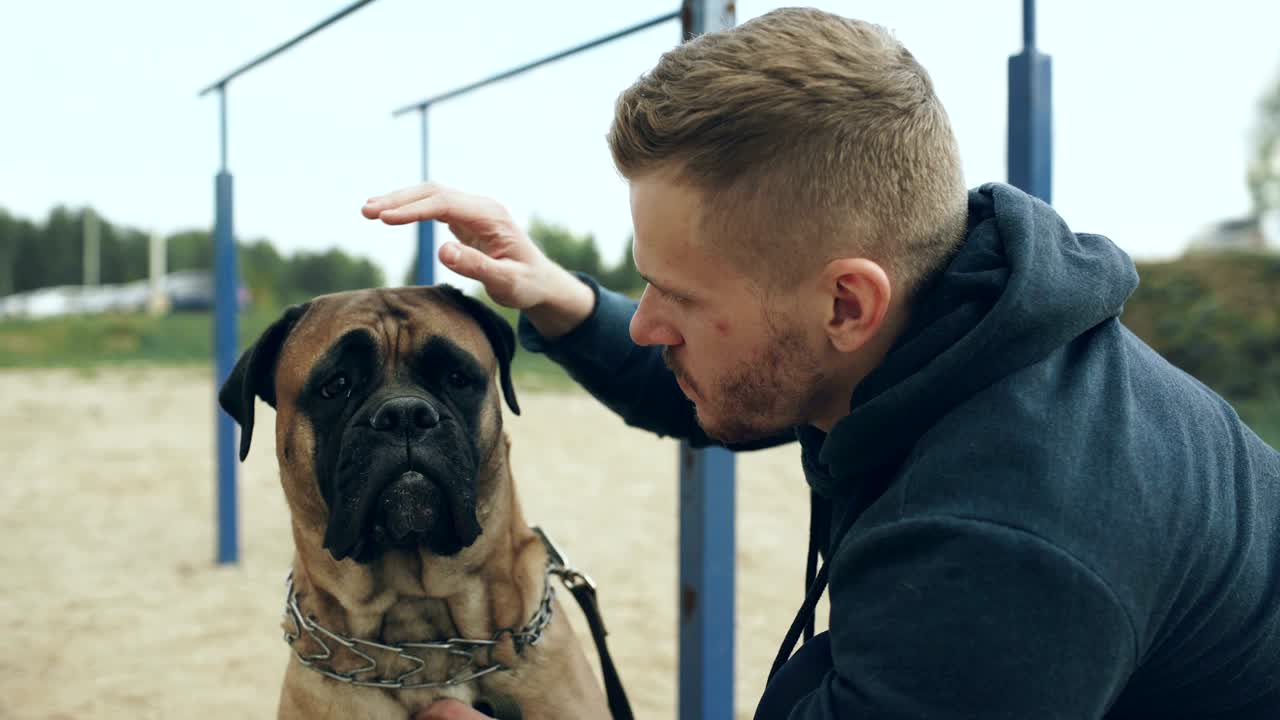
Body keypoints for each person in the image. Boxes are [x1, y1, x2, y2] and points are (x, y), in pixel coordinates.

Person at [366, 8, 1280, 719]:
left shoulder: (1004, 546)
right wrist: (558, 296)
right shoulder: (963, 316)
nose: (647, 325)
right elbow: (738, 383)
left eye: (678, 297)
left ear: (847, 302)